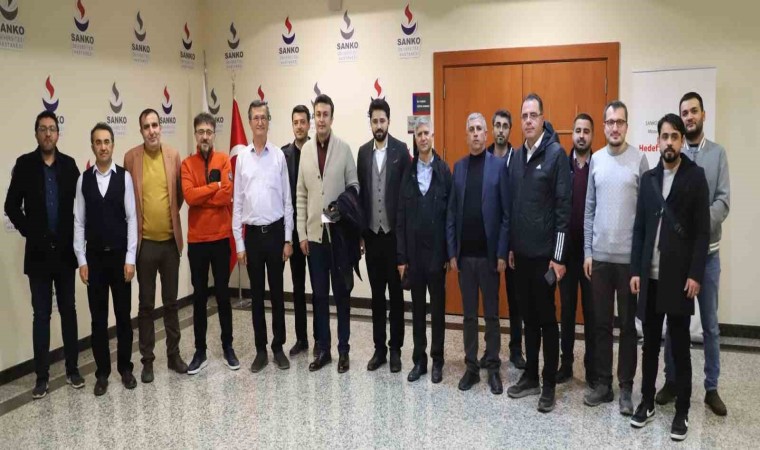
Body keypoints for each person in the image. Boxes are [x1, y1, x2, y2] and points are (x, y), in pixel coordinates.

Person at [629, 113, 709, 441]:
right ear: (658, 140)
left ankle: (682, 411)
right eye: (665, 136)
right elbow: (639, 229)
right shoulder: (649, 179)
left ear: (681, 140)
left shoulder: (695, 176)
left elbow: (702, 232)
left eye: (675, 136)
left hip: (678, 280)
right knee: (649, 346)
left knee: (679, 348)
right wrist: (635, 270)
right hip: (649, 278)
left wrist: (695, 274)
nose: (670, 142)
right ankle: (647, 402)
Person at [657, 92, 730, 416]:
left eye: (693, 111)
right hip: (677, 258)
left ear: (703, 115)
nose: (689, 117)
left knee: (710, 325)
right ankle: (671, 381)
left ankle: (711, 387)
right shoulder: (674, 154)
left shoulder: (718, 154)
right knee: (674, 322)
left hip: (708, 256)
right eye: (684, 112)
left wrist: (699, 222)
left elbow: (723, 201)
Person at [5, 111, 84, 399]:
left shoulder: (70, 165)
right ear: (36, 133)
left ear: (58, 134)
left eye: (52, 129)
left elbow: (82, 205)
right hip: (38, 255)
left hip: (64, 254)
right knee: (41, 315)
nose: (48, 134)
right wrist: (31, 232)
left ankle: (73, 370)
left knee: (69, 311)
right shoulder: (24, 165)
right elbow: (11, 206)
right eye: (43, 129)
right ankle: (42, 378)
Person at [583, 101, 649, 415]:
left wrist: (640, 263)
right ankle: (603, 384)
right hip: (599, 259)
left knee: (627, 328)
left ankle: (625, 388)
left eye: (620, 122)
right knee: (600, 325)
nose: (614, 127)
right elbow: (589, 210)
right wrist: (587, 251)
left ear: (626, 125)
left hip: (628, 263)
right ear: (604, 125)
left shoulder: (639, 160)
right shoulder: (596, 159)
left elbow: (646, 216)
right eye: (610, 122)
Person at [506, 93, 570, 413]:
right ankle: (530, 375)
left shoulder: (556, 155)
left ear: (543, 118)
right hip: (522, 257)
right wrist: (511, 246)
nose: (529, 121)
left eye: (534, 115)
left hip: (546, 259)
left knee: (546, 321)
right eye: (524, 116)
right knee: (528, 319)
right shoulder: (516, 157)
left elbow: (563, 211)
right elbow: (513, 207)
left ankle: (548, 384)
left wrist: (558, 258)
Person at [446, 112, 509, 395]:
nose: (475, 133)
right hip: (465, 258)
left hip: (490, 258)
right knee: (469, 316)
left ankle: (493, 366)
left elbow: (506, 215)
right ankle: (471, 367)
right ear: (466, 134)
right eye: (470, 129)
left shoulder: (498, 167)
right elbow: (451, 214)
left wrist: (502, 253)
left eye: (479, 129)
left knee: (492, 316)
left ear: (486, 134)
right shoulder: (458, 168)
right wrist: (452, 252)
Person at [296, 94, 359, 373]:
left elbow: (355, 188)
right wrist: (301, 233)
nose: (321, 120)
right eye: (317, 115)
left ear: (332, 118)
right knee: (319, 296)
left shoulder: (344, 149)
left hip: (339, 238)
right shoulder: (306, 151)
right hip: (315, 239)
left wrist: (340, 208)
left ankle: (343, 350)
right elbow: (301, 195)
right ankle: (323, 350)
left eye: (325, 115)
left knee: (342, 295)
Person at [124, 108, 187, 382]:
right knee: (146, 305)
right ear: (141, 131)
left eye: (155, 125)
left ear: (161, 127)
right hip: (145, 245)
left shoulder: (173, 155)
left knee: (171, 303)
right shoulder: (131, 158)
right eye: (146, 126)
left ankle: (174, 356)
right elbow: (128, 201)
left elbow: (179, 196)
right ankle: (147, 361)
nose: (151, 130)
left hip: (170, 244)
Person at [74, 122, 137, 395]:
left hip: (120, 259)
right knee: (98, 321)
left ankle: (125, 368)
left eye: (107, 141)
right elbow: (79, 222)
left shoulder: (124, 177)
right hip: (95, 261)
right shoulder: (83, 180)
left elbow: (132, 219)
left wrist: (131, 258)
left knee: (123, 317)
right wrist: (82, 260)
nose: (103, 147)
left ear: (113, 144)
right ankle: (102, 373)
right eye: (98, 142)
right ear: (92, 146)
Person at [233, 100, 294, 372]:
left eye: (264, 117)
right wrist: (239, 244)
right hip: (253, 238)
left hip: (276, 234)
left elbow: (288, 201)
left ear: (269, 122)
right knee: (256, 296)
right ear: (249, 122)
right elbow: (237, 203)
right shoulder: (242, 159)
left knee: (277, 294)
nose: (260, 122)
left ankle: (278, 347)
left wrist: (288, 239)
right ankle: (260, 350)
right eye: (255, 117)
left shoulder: (279, 156)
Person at [181, 112, 239, 375]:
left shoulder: (224, 159)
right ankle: (200, 351)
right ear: (196, 135)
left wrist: (206, 192)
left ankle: (228, 347)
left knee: (223, 295)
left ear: (214, 134)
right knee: (199, 297)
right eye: (200, 132)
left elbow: (227, 195)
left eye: (209, 132)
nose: (205, 136)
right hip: (197, 242)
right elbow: (189, 197)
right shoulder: (187, 164)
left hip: (220, 238)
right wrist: (213, 186)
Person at [357, 98, 411, 373]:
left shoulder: (401, 151)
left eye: (382, 120)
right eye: (374, 121)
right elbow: (361, 196)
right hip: (372, 236)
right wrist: (360, 234)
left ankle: (395, 349)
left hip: (394, 238)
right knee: (377, 296)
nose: (378, 125)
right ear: (370, 123)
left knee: (396, 296)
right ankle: (379, 349)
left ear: (389, 121)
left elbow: (406, 197)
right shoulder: (363, 153)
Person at [396, 116, 451, 383]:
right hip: (414, 257)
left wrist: (449, 253)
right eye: (419, 134)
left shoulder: (444, 171)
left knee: (437, 311)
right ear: (415, 138)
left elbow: (450, 216)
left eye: (426, 132)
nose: (423, 137)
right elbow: (400, 217)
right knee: (417, 310)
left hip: (437, 256)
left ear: (433, 135)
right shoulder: (408, 173)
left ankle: (438, 360)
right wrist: (401, 257)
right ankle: (420, 360)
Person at [557, 113, 595, 387]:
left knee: (591, 313)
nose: (581, 136)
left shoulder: (599, 164)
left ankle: (591, 367)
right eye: (577, 130)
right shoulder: (562, 164)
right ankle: (566, 363)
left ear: (592, 135)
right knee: (567, 311)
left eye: (586, 131)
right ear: (572, 134)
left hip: (591, 254)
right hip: (567, 255)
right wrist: (557, 254)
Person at [486, 109, 525, 369]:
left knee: (515, 299)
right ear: (492, 128)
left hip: (512, 241)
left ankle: (516, 349)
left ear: (510, 130)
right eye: (497, 125)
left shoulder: (518, 158)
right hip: (489, 240)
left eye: (505, 126)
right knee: (490, 298)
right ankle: (490, 349)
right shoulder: (484, 157)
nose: (501, 130)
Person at [281, 105, 315, 357]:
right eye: (296, 122)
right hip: (293, 233)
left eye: (303, 122)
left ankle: (320, 340)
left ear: (309, 124)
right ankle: (301, 339)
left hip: (314, 231)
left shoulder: (318, 151)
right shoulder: (284, 155)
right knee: (298, 288)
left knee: (319, 288)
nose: (299, 126)